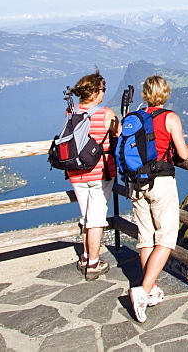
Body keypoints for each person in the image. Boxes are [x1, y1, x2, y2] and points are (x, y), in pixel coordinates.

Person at [129, 74, 188, 323]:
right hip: (160, 182)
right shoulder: (169, 117)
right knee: (167, 238)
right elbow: (181, 154)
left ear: (145, 95)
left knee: (146, 237)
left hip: (136, 183)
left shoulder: (135, 117)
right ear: (166, 93)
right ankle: (143, 290)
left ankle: (150, 288)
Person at [65, 70, 120, 280]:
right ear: (96, 91)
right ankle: (94, 264)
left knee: (86, 216)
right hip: (99, 172)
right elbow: (119, 133)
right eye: (103, 89)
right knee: (96, 218)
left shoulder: (71, 112)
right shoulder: (106, 113)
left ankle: (86, 255)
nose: (104, 93)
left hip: (76, 171)